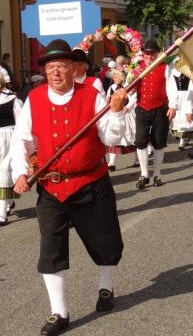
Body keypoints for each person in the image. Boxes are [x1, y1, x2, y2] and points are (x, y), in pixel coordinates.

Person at [10, 39, 127, 336]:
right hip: (52, 187)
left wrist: (115, 112)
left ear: (73, 68)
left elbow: (112, 140)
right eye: (50, 67)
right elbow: (22, 141)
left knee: (106, 241)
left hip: (91, 182)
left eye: (61, 66)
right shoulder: (34, 99)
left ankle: (105, 287)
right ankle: (59, 313)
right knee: (51, 248)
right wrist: (21, 173)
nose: (55, 72)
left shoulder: (92, 95)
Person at [131, 40, 177, 189]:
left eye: (152, 54)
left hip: (160, 108)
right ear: (143, 54)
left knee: (159, 141)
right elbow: (130, 87)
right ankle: (144, 174)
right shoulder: (137, 69)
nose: (149, 57)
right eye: (147, 54)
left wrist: (173, 106)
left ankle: (157, 174)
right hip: (142, 107)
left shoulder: (164, 68)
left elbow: (171, 86)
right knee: (140, 140)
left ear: (158, 54)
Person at [0, 70, 22, 225]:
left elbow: (21, 122)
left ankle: (1, 212)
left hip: (7, 137)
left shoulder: (12, 100)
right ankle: (7, 201)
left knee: (5, 172)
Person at [106, 69, 138, 171]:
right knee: (114, 136)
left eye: (118, 77)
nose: (115, 79)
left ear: (122, 78)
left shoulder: (126, 87)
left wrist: (127, 107)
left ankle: (137, 159)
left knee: (132, 138)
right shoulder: (111, 88)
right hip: (114, 114)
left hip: (126, 114)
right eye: (114, 77)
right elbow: (107, 99)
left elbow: (133, 99)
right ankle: (111, 163)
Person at [170, 66, 193, 150]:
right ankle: (182, 139)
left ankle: (185, 138)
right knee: (177, 118)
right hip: (176, 96)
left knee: (186, 118)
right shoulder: (172, 72)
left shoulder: (188, 71)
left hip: (187, 95)